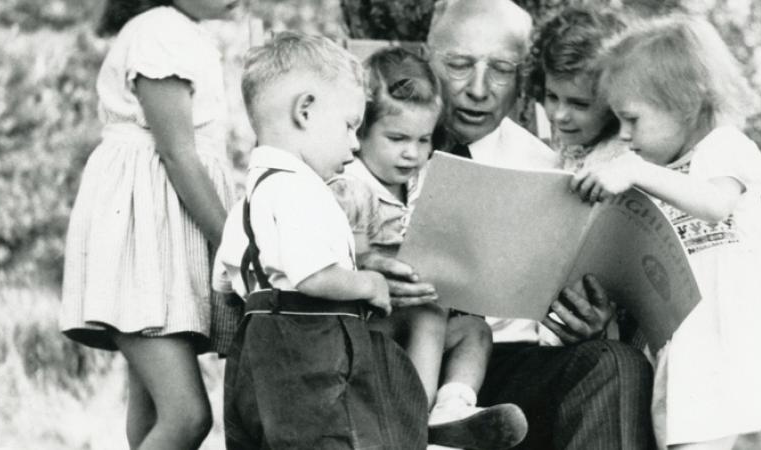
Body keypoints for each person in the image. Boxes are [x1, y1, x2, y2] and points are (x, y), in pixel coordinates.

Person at [357, 0, 658, 449]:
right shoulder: (359, 145)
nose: (479, 89)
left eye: (501, 69)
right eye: (458, 65)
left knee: (614, 362)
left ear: (522, 78)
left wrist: (590, 323)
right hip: (389, 350)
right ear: (427, 56)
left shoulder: (551, 168)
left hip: (502, 365)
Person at [571, 15, 761, 450]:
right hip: (680, 334)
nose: (625, 134)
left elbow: (714, 205)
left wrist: (636, 171)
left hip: (722, 329)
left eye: (632, 119)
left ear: (687, 102)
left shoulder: (725, 146)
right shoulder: (661, 167)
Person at [217, 32, 427, 449]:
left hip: (255, 353)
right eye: (350, 126)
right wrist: (371, 284)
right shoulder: (300, 188)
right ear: (306, 111)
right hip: (309, 346)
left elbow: (223, 284)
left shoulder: (252, 195)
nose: (354, 145)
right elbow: (314, 275)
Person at [326, 46, 527, 449]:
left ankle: (452, 406)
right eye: (397, 138)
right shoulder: (352, 186)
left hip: (419, 321)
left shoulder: (427, 179)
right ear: (360, 131)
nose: (412, 153)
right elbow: (358, 258)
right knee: (430, 314)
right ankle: (413, 423)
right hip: (371, 325)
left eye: (423, 140)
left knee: (474, 331)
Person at [59, 0, 239, 448]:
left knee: (156, 413)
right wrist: (235, 246)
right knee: (187, 416)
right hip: (142, 241)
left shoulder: (186, 32)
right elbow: (177, 156)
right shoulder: (160, 32)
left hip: (165, 245)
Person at [531, 5, 628, 171]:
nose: (560, 116)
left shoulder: (624, 158)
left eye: (579, 104)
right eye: (552, 97)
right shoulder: (574, 135)